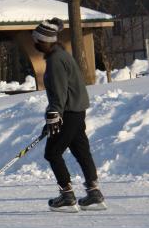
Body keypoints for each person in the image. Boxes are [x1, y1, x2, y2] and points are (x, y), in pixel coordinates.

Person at [32, 18, 107, 213]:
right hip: (76, 111)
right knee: (81, 150)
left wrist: (54, 114)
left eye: (37, 40)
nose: (35, 44)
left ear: (44, 41)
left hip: (68, 112)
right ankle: (94, 194)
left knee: (52, 153)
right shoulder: (61, 55)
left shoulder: (56, 60)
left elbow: (59, 92)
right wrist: (52, 115)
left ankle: (67, 195)